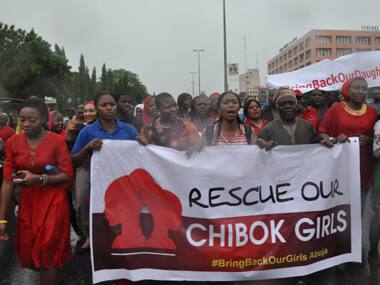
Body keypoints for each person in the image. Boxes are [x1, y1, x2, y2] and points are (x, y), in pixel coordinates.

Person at [0, 98, 73, 285]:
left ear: (43, 120)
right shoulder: (12, 143)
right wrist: (2, 220)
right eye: (22, 119)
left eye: (31, 120)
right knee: (32, 253)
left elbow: (67, 175)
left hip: (53, 202)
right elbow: (8, 183)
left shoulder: (57, 141)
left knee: (48, 250)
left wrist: (39, 179)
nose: (25, 124)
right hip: (28, 203)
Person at [71, 91, 138, 251]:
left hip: (120, 173)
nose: (108, 108)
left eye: (112, 104)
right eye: (104, 105)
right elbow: (73, 160)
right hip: (91, 172)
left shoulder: (129, 130)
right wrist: (87, 148)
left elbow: (140, 154)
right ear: (97, 108)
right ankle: (88, 235)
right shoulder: (87, 132)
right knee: (81, 200)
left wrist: (142, 142)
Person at [319, 78, 377, 210]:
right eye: (356, 88)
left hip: (364, 167)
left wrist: (369, 139)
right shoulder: (336, 110)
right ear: (348, 90)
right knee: (340, 205)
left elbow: (377, 137)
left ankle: (357, 229)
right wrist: (334, 138)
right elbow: (322, 133)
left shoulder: (372, 112)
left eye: (364, 89)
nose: (360, 91)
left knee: (359, 206)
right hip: (340, 166)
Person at [258, 88, 332, 148]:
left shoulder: (307, 126)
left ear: (296, 105)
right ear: (277, 107)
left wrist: (323, 138)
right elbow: (257, 148)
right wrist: (260, 144)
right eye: (283, 104)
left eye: (291, 103)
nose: (287, 106)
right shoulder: (267, 129)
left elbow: (316, 140)